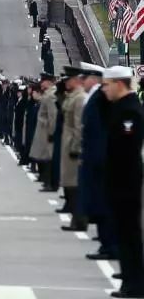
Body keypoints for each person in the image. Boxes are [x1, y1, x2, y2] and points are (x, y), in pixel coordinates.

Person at [100, 66, 144, 297]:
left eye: (107, 85)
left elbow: (126, 150)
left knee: (129, 235)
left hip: (126, 181)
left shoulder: (129, 112)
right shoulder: (121, 108)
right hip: (120, 180)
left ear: (119, 84)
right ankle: (130, 279)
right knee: (124, 232)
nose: (104, 90)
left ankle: (134, 283)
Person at [78, 64, 117, 260]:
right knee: (98, 202)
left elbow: (101, 131)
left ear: (95, 78)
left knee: (103, 203)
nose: (82, 81)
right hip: (94, 159)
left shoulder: (100, 98)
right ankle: (105, 243)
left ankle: (109, 245)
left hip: (99, 161)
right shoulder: (95, 97)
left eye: (85, 78)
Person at [60, 66, 88, 230]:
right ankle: (75, 218)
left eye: (69, 79)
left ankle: (79, 220)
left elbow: (79, 125)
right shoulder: (73, 96)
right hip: (68, 143)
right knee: (71, 185)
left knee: (76, 186)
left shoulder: (79, 98)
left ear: (77, 80)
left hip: (73, 146)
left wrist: (76, 147)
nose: (66, 83)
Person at [30, 72, 58, 190]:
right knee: (44, 157)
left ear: (49, 82)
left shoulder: (51, 95)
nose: (41, 83)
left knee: (48, 158)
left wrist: (52, 132)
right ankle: (47, 181)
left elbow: (52, 115)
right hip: (44, 130)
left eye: (44, 80)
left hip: (47, 131)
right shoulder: (48, 94)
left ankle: (50, 183)